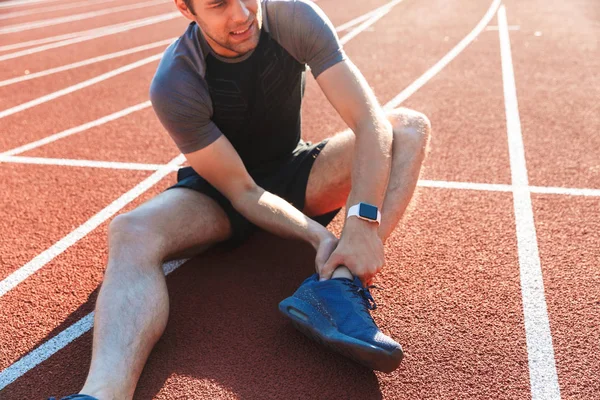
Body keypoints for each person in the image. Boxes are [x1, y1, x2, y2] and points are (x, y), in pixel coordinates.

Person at [49, 0, 430, 399]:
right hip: (223, 194)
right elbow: (244, 192)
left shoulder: (292, 17)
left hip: (297, 171)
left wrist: (362, 223)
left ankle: (338, 286)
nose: (243, 14)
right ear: (186, 8)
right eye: (218, 4)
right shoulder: (177, 81)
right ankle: (102, 393)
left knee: (407, 127)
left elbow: (367, 121)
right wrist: (319, 237)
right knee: (131, 230)